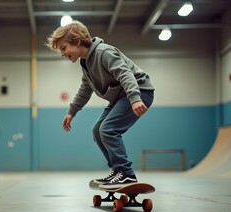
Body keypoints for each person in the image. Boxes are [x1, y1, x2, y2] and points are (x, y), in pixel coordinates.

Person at [45, 21, 155, 189]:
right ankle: (117, 171)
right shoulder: (86, 63)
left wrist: (135, 98)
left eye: (63, 48)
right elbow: (85, 88)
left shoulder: (104, 53)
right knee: (97, 131)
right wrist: (71, 112)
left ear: (77, 41)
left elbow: (125, 74)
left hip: (139, 92)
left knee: (108, 129)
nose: (62, 53)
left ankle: (126, 174)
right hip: (121, 97)